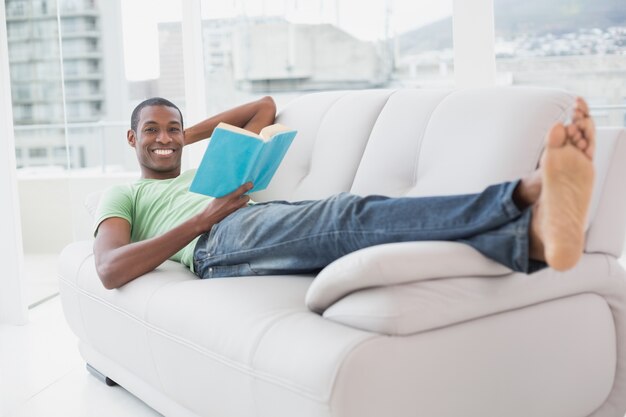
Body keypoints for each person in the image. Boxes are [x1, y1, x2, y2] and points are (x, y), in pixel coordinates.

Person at [93, 95, 595, 290]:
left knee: (365, 230)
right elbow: (110, 269)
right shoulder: (124, 197)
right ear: (131, 138)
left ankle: (528, 241)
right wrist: (201, 220)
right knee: (349, 215)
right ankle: (522, 194)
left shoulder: (202, 169)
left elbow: (263, 106)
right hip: (213, 242)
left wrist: (182, 136)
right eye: (151, 131)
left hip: (245, 223)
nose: (165, 139)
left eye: (172, 130)